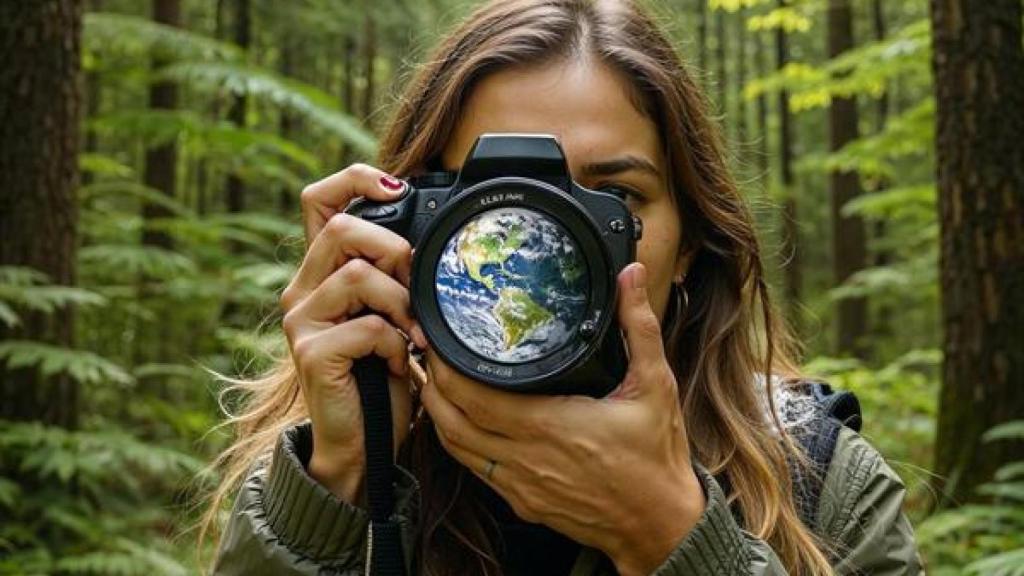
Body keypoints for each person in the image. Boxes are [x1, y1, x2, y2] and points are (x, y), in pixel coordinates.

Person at [206, 1, 921, 574]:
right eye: (502, 201)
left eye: (613, 198)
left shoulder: (817, 482)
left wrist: (670, 537)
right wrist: (344, 482)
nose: (554, 247)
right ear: (410, 233)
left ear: (690, 246)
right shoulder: (332, 470)